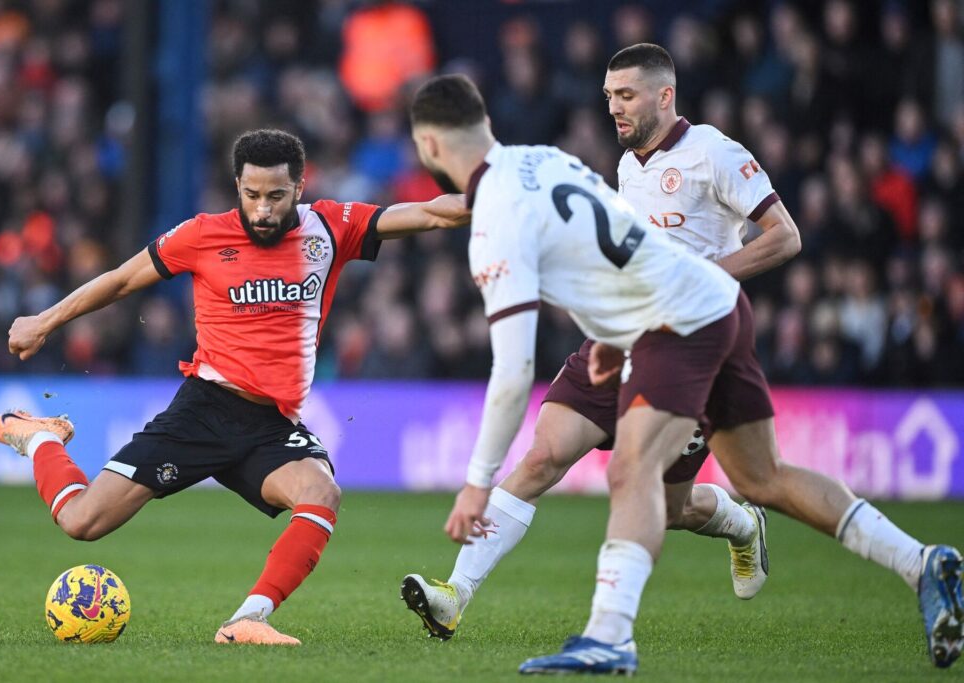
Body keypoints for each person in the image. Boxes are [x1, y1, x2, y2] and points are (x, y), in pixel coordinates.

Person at [405, 73, 963, 675]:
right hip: (690, 311)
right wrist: (615, 336)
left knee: (632, 470)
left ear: (430, 147)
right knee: (762, 477)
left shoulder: (498, 225)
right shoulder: (543, 159)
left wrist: (476, 483)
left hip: (677, 322)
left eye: (626, 94)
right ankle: (921, 561)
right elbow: (614, 244)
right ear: (484, 123)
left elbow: (513, 371)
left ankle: (609, 637)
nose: (614, 108)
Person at [0, 129, 470, 646]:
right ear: (237, 184)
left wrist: (498, 195)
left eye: (276, 196)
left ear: (300, 187)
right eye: (251, 194)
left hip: (270, 425)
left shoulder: (331, 227)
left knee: (321, 491)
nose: (262, 209)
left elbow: (432, 213)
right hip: (204, 410)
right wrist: (45, 319)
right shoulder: (201, 235)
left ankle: (248, 619)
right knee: (81, 522)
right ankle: (38, 438)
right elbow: (122, 280)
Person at [401, 43, 802, 641]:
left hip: (690, 344)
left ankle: (742, 526)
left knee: (667, 508)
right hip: (617, 338)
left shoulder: (715, 153)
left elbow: (785, 237)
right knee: (541, 457)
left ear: (664, 95)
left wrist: (710, 273)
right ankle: (454, 594)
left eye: (626, 95)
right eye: (609, 96)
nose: (613, 107)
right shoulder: (626, 166)